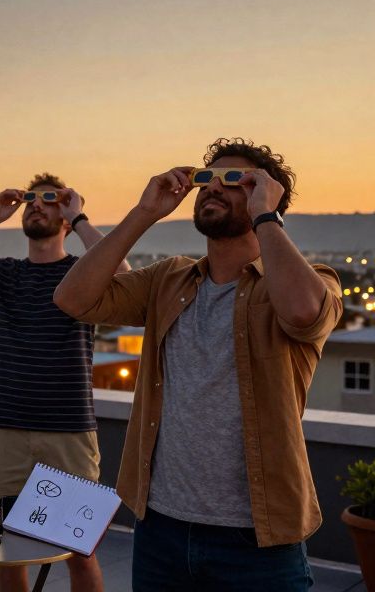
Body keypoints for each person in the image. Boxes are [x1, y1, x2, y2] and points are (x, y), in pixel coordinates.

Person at [53, 138, 343, 591]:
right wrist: (144, 212)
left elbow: (305, 312)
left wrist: (267, 216)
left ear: (266, 194)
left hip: (259, 538)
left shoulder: (308, 281)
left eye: (235, 180)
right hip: (161, 529)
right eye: (207, 179)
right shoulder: (168, 279)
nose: (213, 187)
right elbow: (72, 299)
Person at [0, 173, 125, 592]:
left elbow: (125, 277)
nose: (37, 205)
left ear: (65, 215)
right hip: (7, 430)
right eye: (31, 200)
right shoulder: (3, 273)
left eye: (50, 199)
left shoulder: (83, 273)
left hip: (69, 432)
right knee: (7, 548)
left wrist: (81, 218)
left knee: (80, 551)